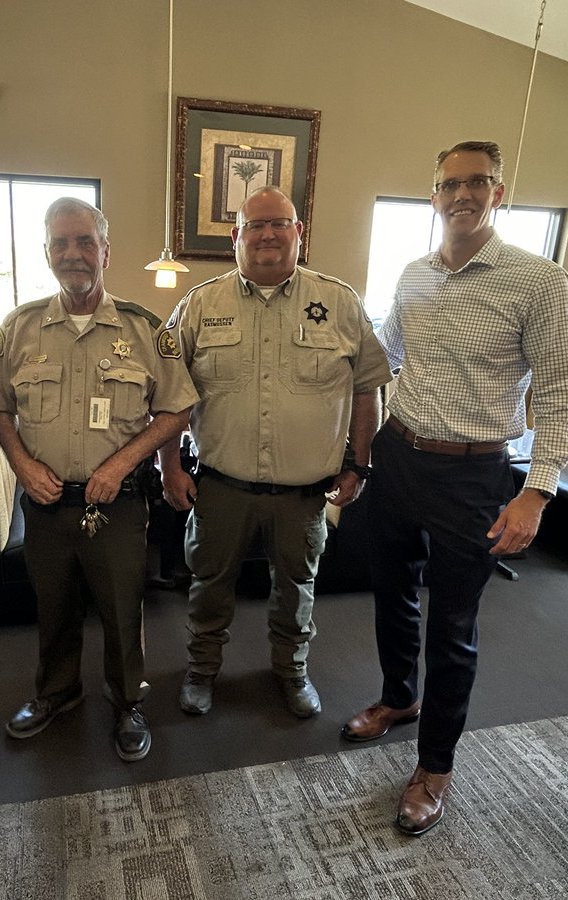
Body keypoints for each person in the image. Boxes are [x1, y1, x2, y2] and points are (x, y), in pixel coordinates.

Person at [342, 140, 568, 835]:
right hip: (398, 454)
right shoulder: (413, 275)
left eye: (478, 182)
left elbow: (560, 392)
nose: (462, 194)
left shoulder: (539, 280)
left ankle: (435, 766)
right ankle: (396, 698)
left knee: (453, 626)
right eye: (450, 184)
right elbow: (385, 354)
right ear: (435, 194)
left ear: (498, 192)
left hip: (474, 473)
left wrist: (537, 490)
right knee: (391, 596)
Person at [159, 186, 393, 719]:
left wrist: (360, 462)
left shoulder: (339, 302)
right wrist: (168, 466)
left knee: (297, 588)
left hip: (303, 494)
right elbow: (169, 394)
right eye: (255, 224)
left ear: (298, 232)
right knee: (209, 586)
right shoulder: (199, 304)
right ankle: (201, 670)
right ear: (236, 235)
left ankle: (291, 671)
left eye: (279, 224)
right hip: (222, 486)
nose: (267, 234)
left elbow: (366, 388)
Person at [0, 197, 197, 762]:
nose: (72, 254)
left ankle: (128, 702)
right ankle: (57, 692)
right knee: (53, 606)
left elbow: (178, 409)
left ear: (105, 251)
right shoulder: (19, 327)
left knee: (124, 609)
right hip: (47, 503)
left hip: (118, 502)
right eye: (60, 243)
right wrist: (23, 465)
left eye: (83, 242)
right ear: (47, 252)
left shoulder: (147, 329)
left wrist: (122, 462)